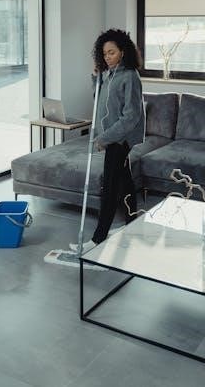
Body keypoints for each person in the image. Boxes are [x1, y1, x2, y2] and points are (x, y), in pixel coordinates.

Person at [70, 28, 145, 253]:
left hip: (120, 139)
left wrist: (104, 138)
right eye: (104, 54)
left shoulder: (130, 76)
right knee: (125, 180)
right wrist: (96, 78)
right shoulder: (109, 74)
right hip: (112, 136)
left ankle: (98, 237)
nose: (107, 57)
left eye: (111, 52)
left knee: (110, 187)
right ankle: (132, 223)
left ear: (123, 51)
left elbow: (131, 116)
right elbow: (99, 99)